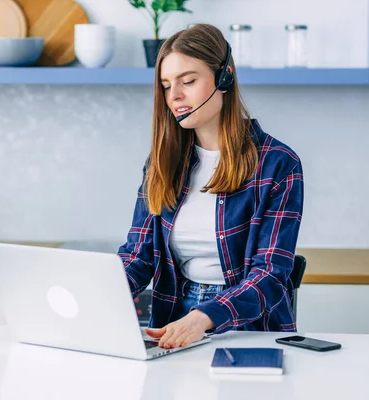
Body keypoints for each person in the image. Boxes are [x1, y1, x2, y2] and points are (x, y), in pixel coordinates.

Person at [118, 24, 304, 350]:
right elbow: (138, 257)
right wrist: (93, 292)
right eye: (166, 86)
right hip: (174, 319)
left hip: (249, 326)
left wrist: (206, 316)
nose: (174, 96)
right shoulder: (162, 163)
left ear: (225, 77)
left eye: (188, 81)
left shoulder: (278, 164)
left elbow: (270, 275)